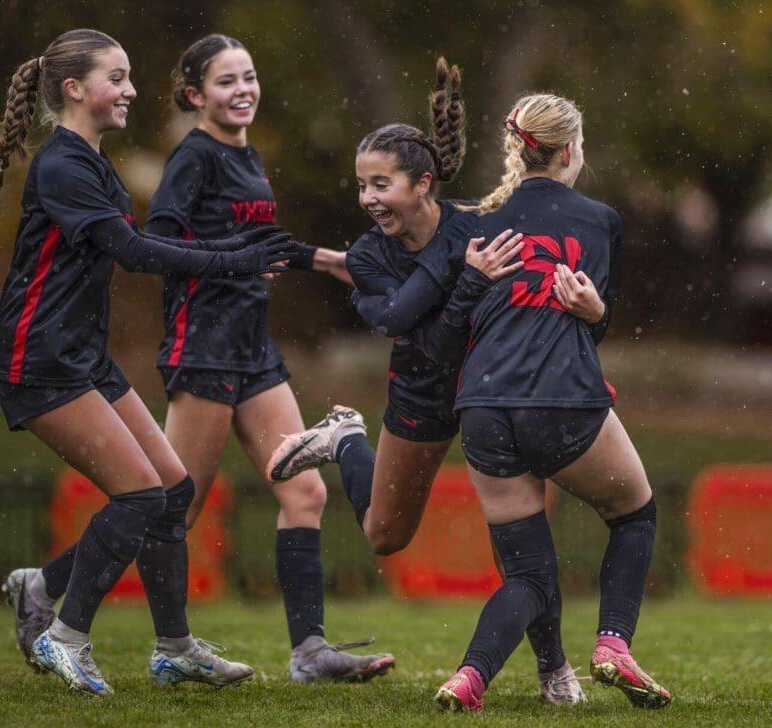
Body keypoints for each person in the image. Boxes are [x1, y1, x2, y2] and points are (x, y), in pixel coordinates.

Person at [0, 28, 293, 696]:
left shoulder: (93, 161)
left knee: (173, 489)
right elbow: (135, 252)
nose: (128, 90)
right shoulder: (63, 165)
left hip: (82, 358)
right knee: (142, 495)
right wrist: (236, 256)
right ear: (75, 89)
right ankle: (65, 636)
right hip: (38, 361)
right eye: (116, 78)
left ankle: (174, 648)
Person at [268, 60, 586, 706]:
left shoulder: (476, 224)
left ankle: (555, 669)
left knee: (524, 550)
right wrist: (467, 280)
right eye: (362, 187)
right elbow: (407, 327)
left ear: (422, 183)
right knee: (386, 536)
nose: (367, 201)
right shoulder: (368, 257)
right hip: (420, 392)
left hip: (492, 399)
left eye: (380, 185)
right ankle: (345, 440)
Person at [141, 33, 393, 684]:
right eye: (226, 82)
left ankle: (310, 653)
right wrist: (233, 264)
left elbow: (257, 238)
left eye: (249, 77)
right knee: (178, 507)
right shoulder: (193, 158)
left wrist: (328, 260)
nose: (243, 90)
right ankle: (85, 608)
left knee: (304, 488)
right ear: (195, 94)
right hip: (203, 344)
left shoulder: (248, 156)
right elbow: (160, 245)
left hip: (253, 347)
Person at [414, 94, 671, 712]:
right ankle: (612, 644)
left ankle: (470, 678)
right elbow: (588, 325)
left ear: (516, 148)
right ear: (570, 150)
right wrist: (598, 312)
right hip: (561, 398)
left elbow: (442, 333)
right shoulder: (599, 219)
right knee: (634, 515)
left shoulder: (471, 220)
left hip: (481, 405)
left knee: (527, 573)